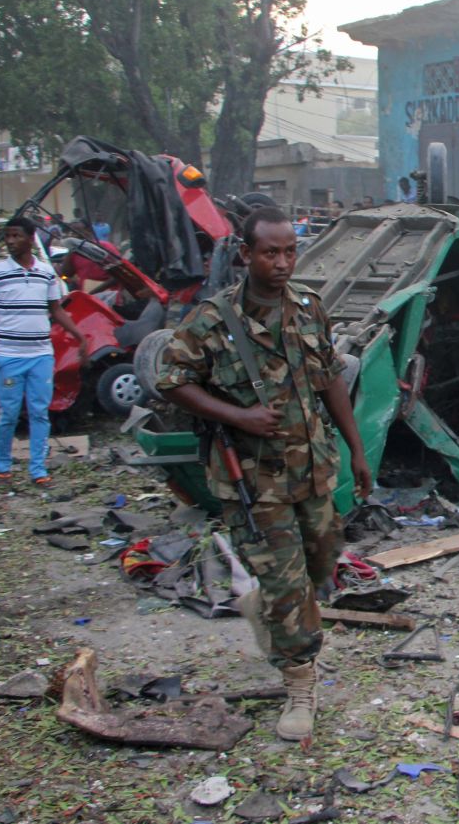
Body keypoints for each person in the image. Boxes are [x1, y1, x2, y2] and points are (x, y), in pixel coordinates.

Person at [155, 206, 373, 742]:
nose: (281, 262)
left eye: (289, 251)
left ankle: (267, 608)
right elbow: (171, 379)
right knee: (287, 579)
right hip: (255, 479)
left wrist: (357, 450)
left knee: (322, 560)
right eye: (270, 252)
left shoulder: (308, 307)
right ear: (245, 254)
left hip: (313, 466)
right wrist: (238, 416)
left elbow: (330, 381)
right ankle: (300, 680)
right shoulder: (213, 320)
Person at [0, 216, 87, 485]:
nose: (11, 241)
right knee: (9, 412)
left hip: (40, 355)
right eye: (8, 236)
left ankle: (38, 469)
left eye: (16, 236)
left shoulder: (46, 273)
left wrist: (78, 335)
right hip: (9, 355)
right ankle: (2, 464)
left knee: (40, 411)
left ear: (30, 238)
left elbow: (56, 309)